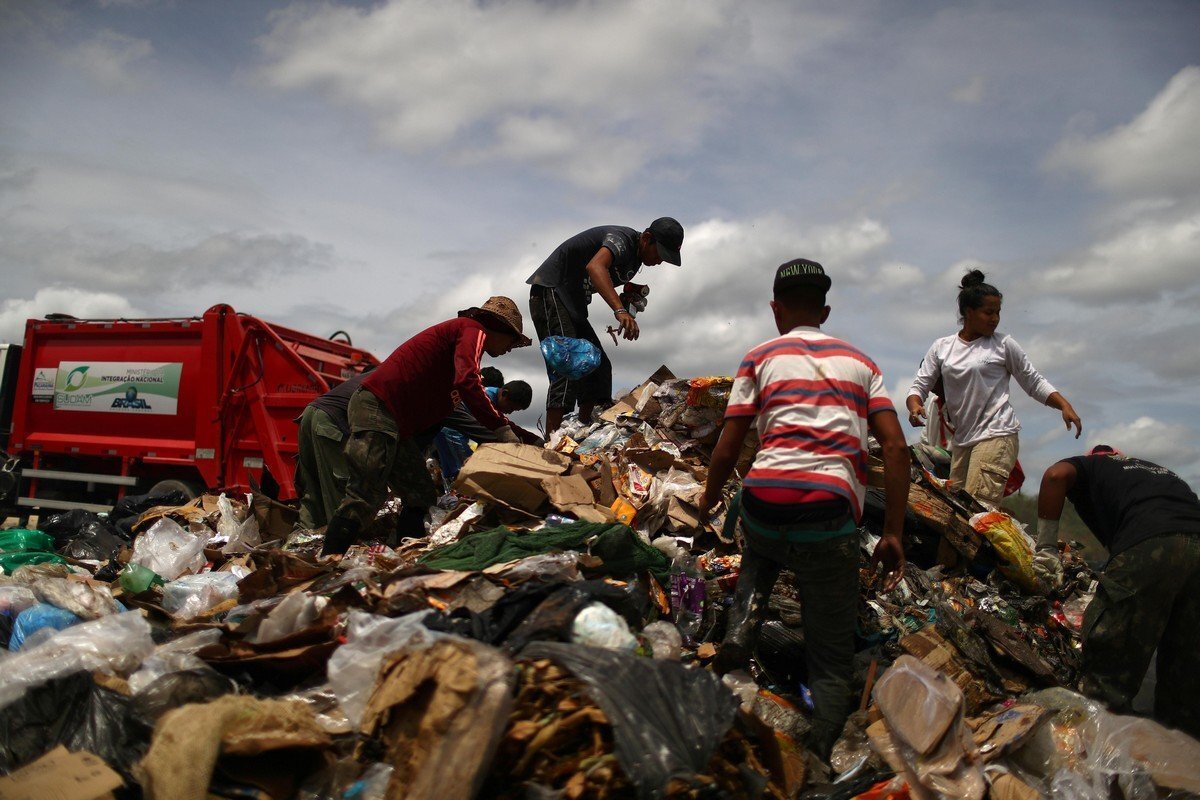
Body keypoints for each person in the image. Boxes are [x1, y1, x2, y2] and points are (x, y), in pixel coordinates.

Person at [699, 258, 910, 760]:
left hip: (764, 503)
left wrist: (708, 497)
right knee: (831, 655)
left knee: (761, 541)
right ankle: (819, 756)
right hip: (827, 515)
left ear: (775, 308)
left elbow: (728, 449)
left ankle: (742, 626)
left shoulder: (759, 357)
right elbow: (897, 450)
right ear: (826, 310)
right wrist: (894, 533)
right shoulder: (864, 365)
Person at [320, 296, 530, 556]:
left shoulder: (460, 341)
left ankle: (406, 554)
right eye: (512, 341)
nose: (511, 348)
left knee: (419, 494)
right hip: (378, 408)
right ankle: (330, 558)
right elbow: (468, 381)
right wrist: (501, 429)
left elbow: (467, 397)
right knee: (366, 491)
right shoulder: (473, 330)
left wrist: (521, 435)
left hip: (396, 422)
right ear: (501, 329)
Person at [1033, 446, 1200, 738]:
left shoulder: (1094, 466)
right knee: (1185, 666)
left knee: (1111, 653)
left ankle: (1099, 749)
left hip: (1151, 542)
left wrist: (1046, 549)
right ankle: (1178, 763)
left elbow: (1054, 475)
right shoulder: (1161, 475)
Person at [906, 269, 1082, 506]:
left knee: (978, 508)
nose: (995, 319)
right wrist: (915, 404)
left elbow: (1033, 381)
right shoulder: (942, 347)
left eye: (998, 312)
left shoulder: (1003, 345)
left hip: (997, 434)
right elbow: (920, 384)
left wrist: (1063, 404)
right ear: (968, 312)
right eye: (988, 312)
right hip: (964, 441)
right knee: (955, 510)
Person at [527, 217, 684, 433]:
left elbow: (603, 279)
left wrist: (626, 303)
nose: (659, 261)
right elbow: (595, 266)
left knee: (599, 367)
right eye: (659, 254)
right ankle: (553, 440)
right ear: (647, 239)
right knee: (569, 362)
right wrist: (619, 310)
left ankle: (581, 428)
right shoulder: (622, 239)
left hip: (573, 302)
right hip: (551, 291)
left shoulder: (635, 259)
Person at [295, 370, 368, 531]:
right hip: (328, 421)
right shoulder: (385, 382)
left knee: (312, 490)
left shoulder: (362, 381)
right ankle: (340, 545)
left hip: (308, 414)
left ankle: (300, 543)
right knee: (341, 489)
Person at [433, 379, 540, 484]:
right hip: (454, 435)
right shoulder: (486, 399)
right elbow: (504, 426)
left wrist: (534, 440)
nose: (510, 412)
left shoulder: (489, 398)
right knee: (465, 477)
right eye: (511, 407)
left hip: (454, 434)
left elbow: (505, 424)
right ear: (504, 394)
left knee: (464, 477)